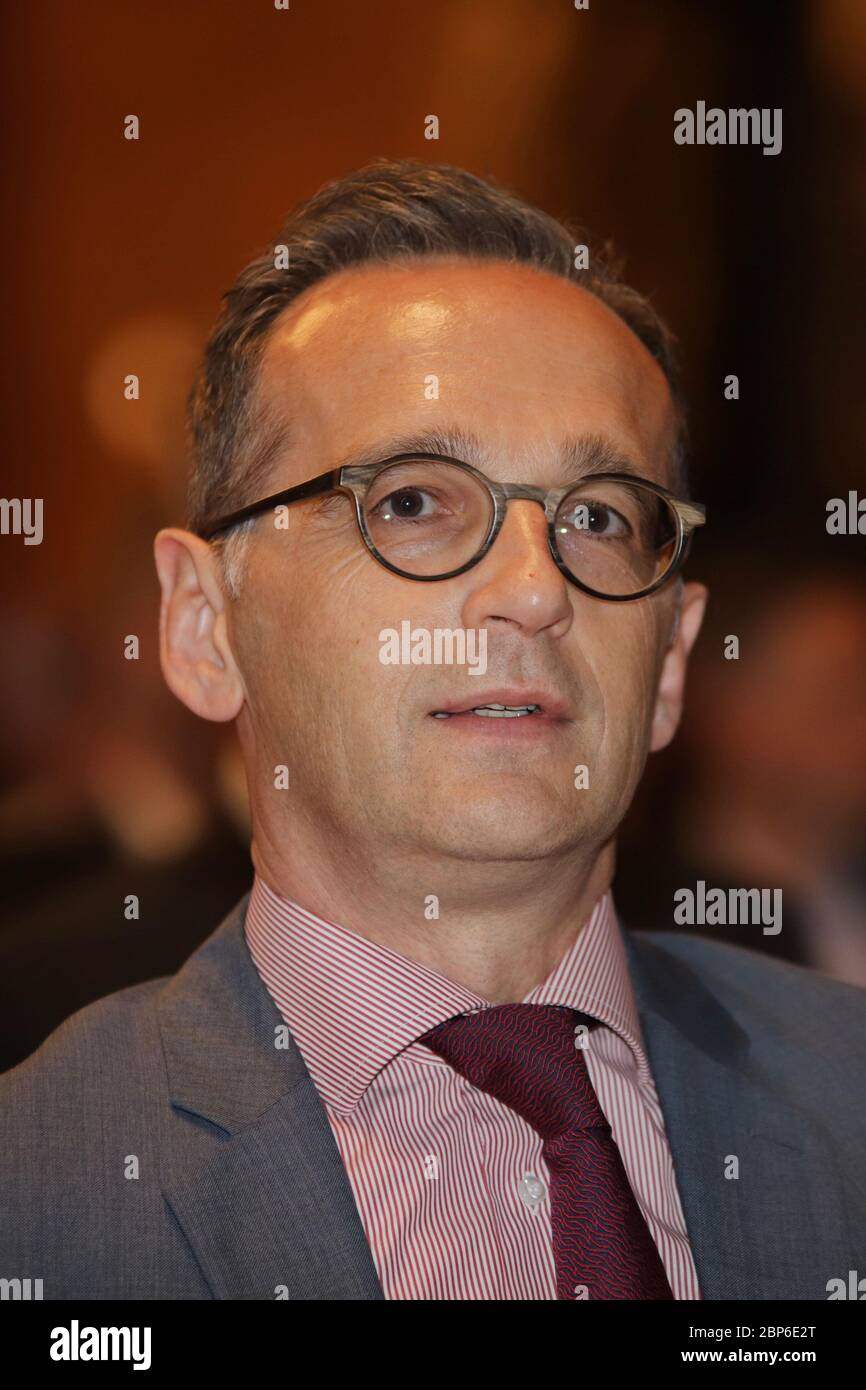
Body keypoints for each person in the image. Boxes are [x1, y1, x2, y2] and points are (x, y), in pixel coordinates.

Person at [1, 160, 863, 1301]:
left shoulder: (843, 1094)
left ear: (668, 657)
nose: (532, 588)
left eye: (597, 516)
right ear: (205, 627)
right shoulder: (42, 1200)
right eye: (410, 499)